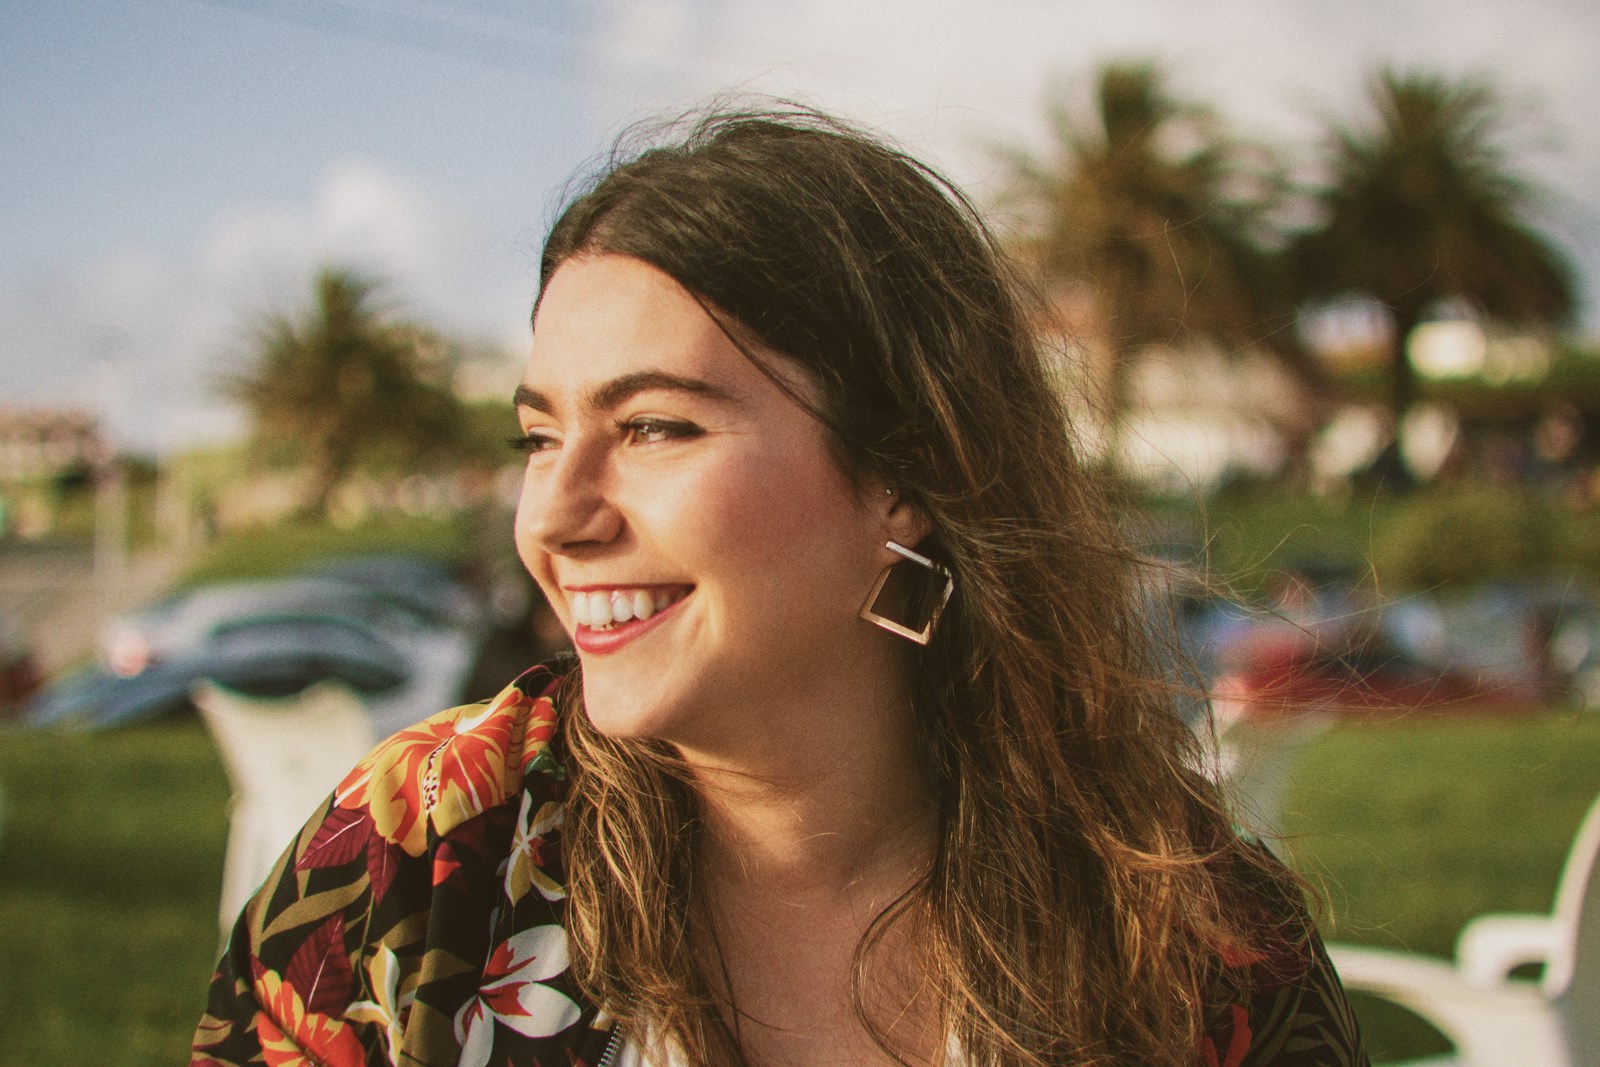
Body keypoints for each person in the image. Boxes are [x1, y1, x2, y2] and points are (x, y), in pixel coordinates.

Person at [193, 105, 1367, 1067]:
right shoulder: (422, 856)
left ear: (907, 471)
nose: (553, 515)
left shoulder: (1179, 927)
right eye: (540, 437)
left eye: (653, 426)